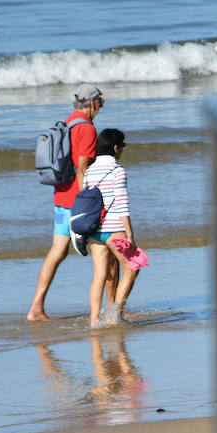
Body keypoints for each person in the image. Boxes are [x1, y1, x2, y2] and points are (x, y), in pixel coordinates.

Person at [26, 83, 104, 322]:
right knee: (104, 252)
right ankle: (112, 309)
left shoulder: (68, 123)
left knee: (57, 251)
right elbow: (82, 169)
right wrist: (88, 203)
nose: (101, 107)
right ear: (92, 103)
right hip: (78, 201)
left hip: (60, 197)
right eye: (101, 102)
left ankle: (36, 308)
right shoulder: (87, 129)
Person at [83, 128, 140, 327]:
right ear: (116, 148)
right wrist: (130, 234)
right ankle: (115, 314)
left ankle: (94, 320)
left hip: (95, 231)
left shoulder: (89, 171)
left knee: (99, 275)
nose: (122, 150)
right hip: (115, 228)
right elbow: (123, 203)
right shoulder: (118, 171)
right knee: (133, 267)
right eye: (122, 146)